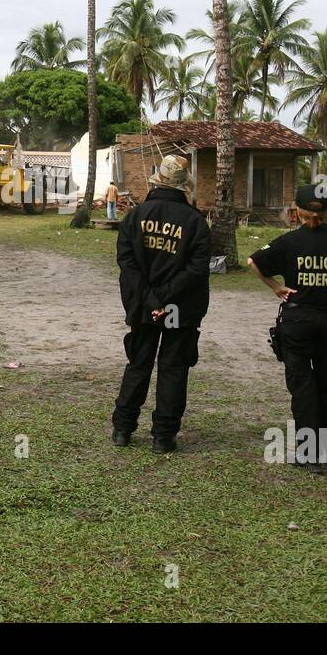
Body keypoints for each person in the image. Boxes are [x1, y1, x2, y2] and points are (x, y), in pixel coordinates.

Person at [249, 184, 327, 468]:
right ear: (326, 211)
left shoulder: (289, 241)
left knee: (303, 387)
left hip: (298, 321)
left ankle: (310, 453)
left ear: (298, 211)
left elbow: (253, 261)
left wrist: (277, 287)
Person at [111, 155, 211, 453]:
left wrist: (152, 299)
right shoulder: (195, 222)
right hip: (179, 308)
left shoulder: (136, 216)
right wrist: (167, 299)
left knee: (138, 365)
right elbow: (197, 269)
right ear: (183, 187)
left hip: (144, 305)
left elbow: (128, 264)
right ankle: (163, 437)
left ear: (157, 183)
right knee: (173, 369)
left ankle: (122, 429)